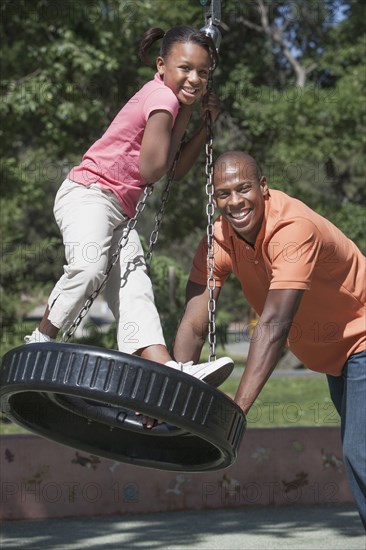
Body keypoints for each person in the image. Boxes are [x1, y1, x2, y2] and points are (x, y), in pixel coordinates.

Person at [24, 26, 234, 390]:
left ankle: (167, 367)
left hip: (118, 209)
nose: (195, 78)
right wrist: (182, 109)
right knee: (89, 268)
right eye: (185, 68)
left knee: (135, 288)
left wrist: (203, 123)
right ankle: (40, 341)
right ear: (161, 65)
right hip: (89, 193)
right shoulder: (161, 99)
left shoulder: (168, 101)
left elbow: (175, 171)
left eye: (203, 72)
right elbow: (151, 170)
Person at [173, 151, 366, 528]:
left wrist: (236, 412)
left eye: (244, 188)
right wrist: (175, 392)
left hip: (363, 341)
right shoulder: (218, 241)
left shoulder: (293, 228)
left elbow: (274, 323)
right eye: (223, 193)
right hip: (335, 360)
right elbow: (195, 324)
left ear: (263, 187)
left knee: (361, 453)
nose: (235, 201)